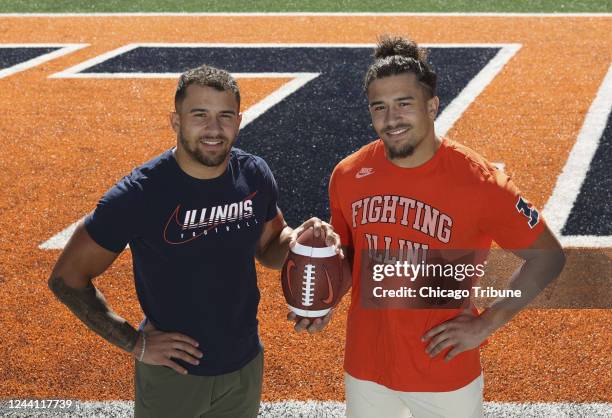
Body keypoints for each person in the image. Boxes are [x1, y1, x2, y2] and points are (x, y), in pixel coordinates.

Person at [48, 64, 340, 418]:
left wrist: (302, 241)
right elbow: (66, 278)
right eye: (200, 115)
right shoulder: (139, 194)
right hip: (175, 376)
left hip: (244, 364)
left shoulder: (254, 174)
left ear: (239, 120)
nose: (214, 129)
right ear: (176, 120)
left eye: (225, 116)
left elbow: (269, 246)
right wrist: (134, 343)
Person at [321, 35, 566, 418]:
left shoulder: (480, 182)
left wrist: (487, 324)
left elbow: (548, 257)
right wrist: (322, 296)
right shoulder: (348, 175)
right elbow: (350, 261)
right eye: (379, 107)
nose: (391, 119)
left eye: (404, 104)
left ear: (432, 106)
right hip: (366, 367)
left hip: (444, 371)